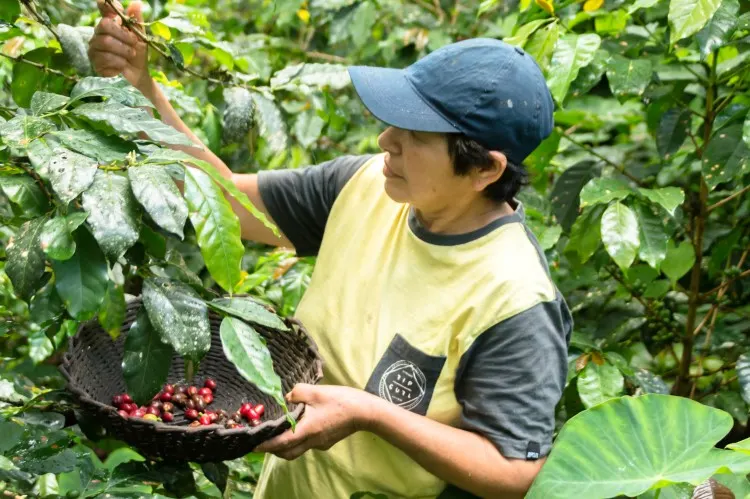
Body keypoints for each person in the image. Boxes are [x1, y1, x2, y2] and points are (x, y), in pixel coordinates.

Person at [89, 1, 572, 497]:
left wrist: (370, 414)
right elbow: (226, 200)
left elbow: (515, 473)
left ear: (484, 170)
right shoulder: (364, 185)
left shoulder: (514, 298)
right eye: (392, 124)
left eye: (415, 135)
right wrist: (138, 87)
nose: (386, 141)